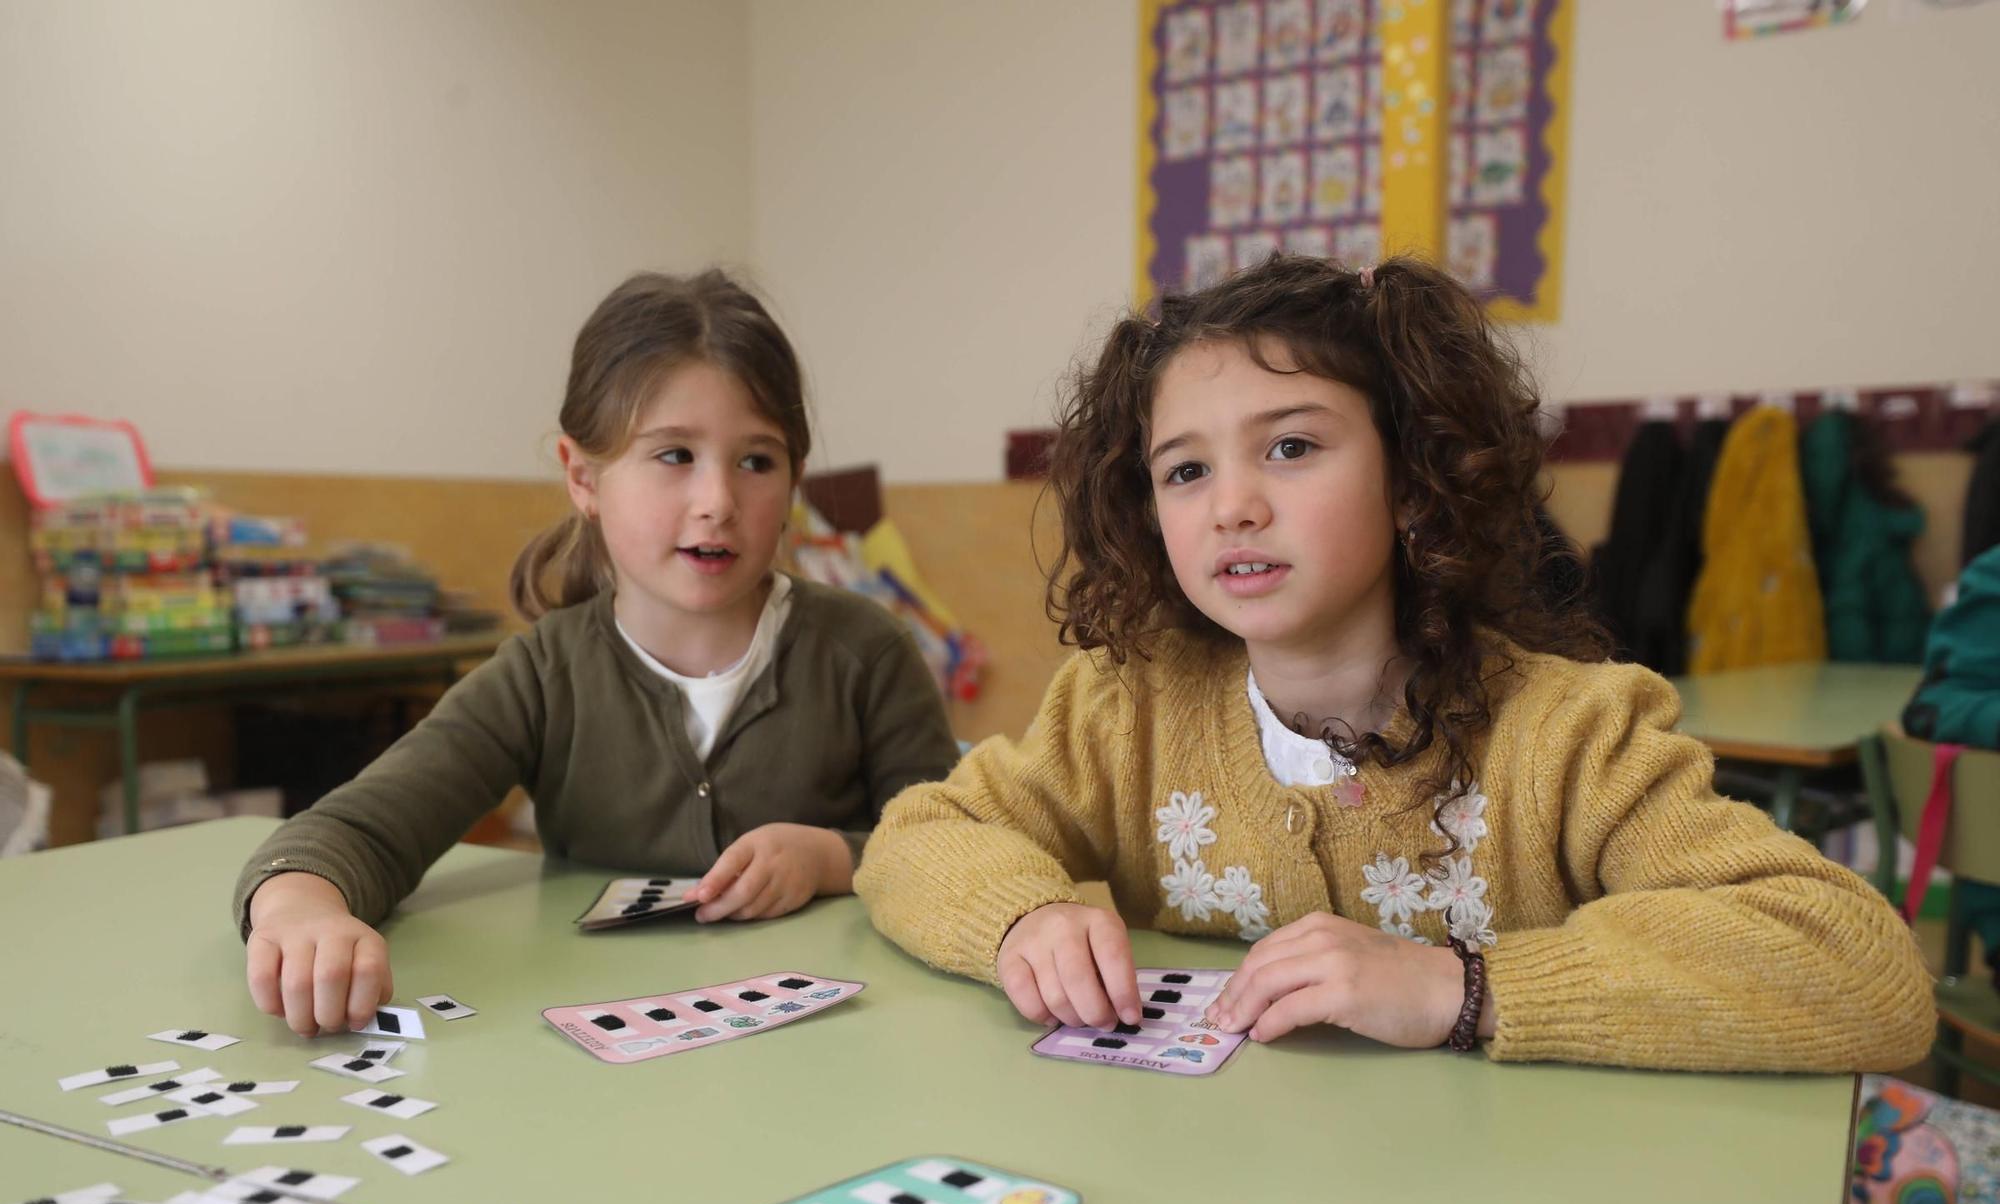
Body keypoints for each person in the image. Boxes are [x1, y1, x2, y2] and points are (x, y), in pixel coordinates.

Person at [856, 255, 1931, 1072]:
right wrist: (1020, 918)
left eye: (1290, 446)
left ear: (1414, 477)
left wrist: (1461, 990)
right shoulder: (1119, 708)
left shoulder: (1570, 735)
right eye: (1183, 470)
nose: (1232, 503)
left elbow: (1861, 969)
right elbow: (920, 834)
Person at [237, 270, 959, 1036]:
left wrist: (831, 859)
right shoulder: (543, 676)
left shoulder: (866, 651)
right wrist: (300, 909)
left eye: (757, 461)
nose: (717, 499)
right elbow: (354, 832)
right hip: (607, 1068)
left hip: (839, 1050)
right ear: (583, 476)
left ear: (793, 482)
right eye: (675, 454)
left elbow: (960, 850)